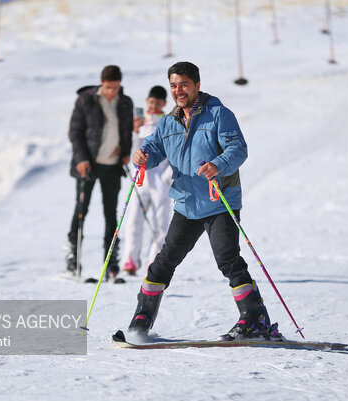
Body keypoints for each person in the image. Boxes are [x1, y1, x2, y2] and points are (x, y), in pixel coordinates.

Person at [127, 62, 282, 341]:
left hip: (219, 200)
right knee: (164, 260)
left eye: (184, 84)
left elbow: (238, 148)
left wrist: (218, 164)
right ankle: (142, 316)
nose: (178, 91)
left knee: (228, 259)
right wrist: (143, 155)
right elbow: (154, 146)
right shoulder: (168, 122)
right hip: (187, 202)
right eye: (174, 85)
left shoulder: (219, 115)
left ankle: (254, 319)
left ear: (197, 85)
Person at [66, 65, 133, 280]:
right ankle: (73, 260)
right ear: (101, 83)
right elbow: (75, 132)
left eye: (115, 87)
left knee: (111, 214)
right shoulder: (86, 99)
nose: (111, 92)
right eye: (107, 87)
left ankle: (111, 263)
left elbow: (126, 131)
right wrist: (81, 159)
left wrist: (125, 153)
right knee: (81, 210)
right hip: (88, 165)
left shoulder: (125, 102)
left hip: (112, 166)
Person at [122, 86, 172, 276]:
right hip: (141, 179)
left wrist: (168, 175)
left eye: (157, 104)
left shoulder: (168, 123)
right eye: (151, 102)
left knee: (160, 223)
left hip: (160, 180)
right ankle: (130, 259)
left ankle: (154, 259)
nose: (153, 106)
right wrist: (135, 132)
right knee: (134, 220)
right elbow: (134, 151)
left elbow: (172, 153)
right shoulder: (140, 123)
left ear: (164, 104)